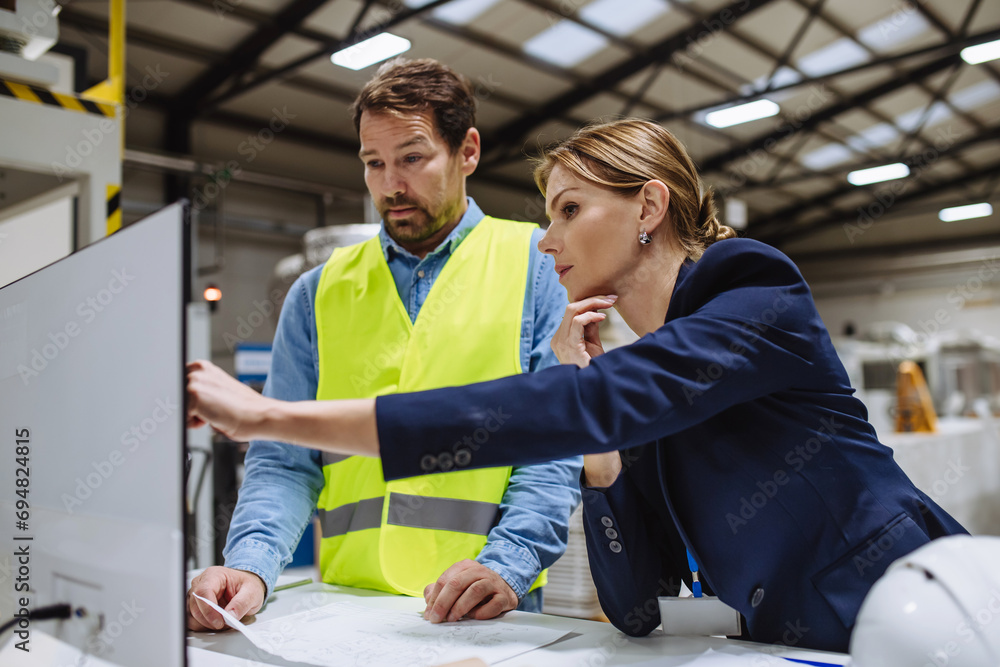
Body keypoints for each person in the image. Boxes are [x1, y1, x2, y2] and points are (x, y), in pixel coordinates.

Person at [186, 118, 967, 652]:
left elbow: (588, 402)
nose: (548, 239)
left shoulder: (752, 290)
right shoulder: (643, 379)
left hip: (932, 619)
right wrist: (600, 452)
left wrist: (272, 414)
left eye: (568, 209)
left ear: (648, 208)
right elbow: (632, 608)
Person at [185, 58, 582, 632]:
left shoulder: (537, 266)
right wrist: (250, 564)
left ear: (467, 151)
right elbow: (283, 459)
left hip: (488, 610)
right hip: (345, 613)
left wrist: (508, 565)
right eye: (374, 163)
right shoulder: (317, 293)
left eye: (413, 159)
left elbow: (553, 446)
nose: (390, 185)